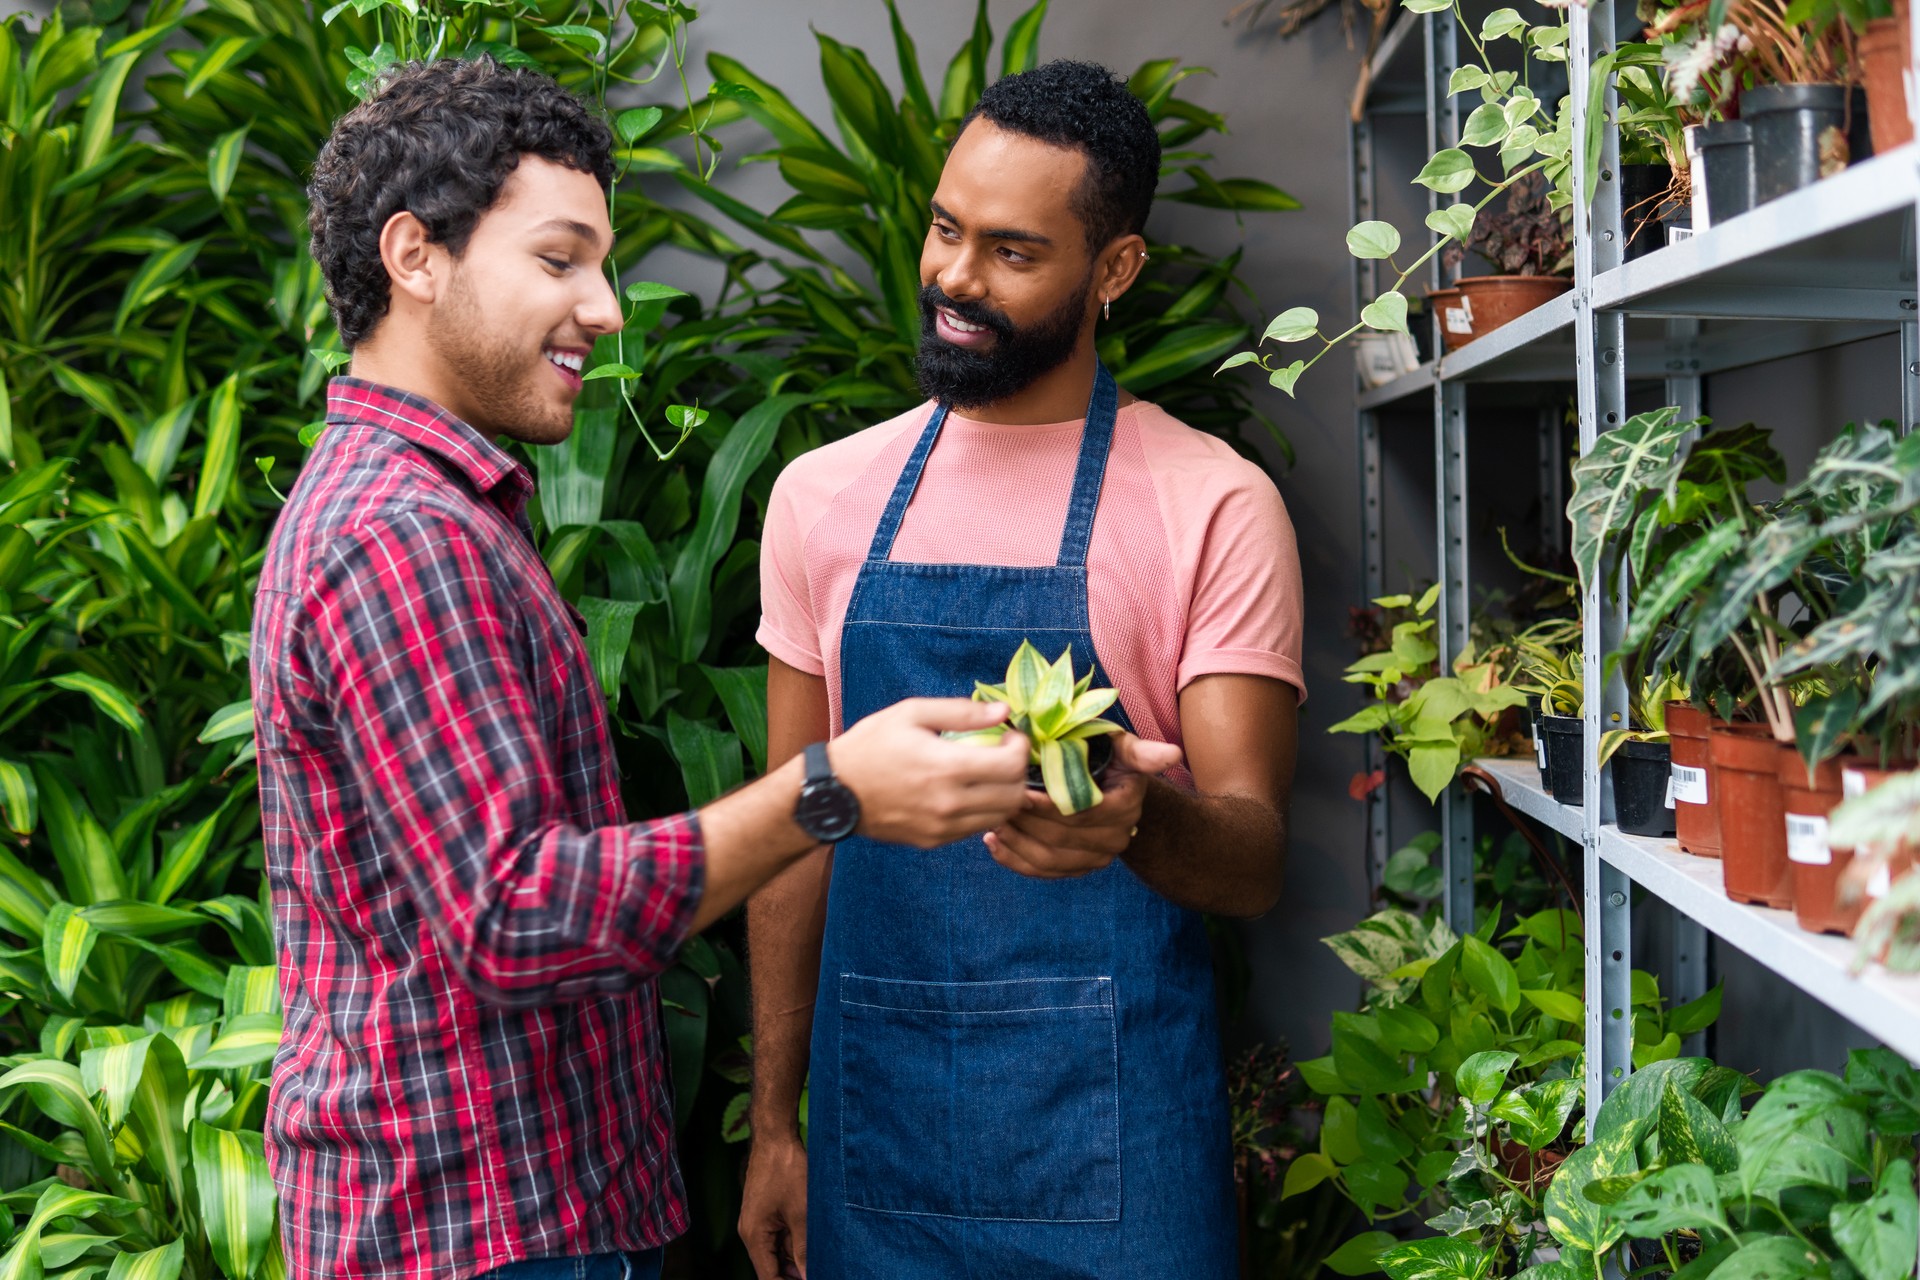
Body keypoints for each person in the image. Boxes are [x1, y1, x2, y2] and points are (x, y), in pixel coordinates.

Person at [258, 57, 1038, 1280]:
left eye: (601, 264)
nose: (608, 306)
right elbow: (518, 916)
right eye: (560, 259)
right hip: (471, 1235)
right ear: (415, 256)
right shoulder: (398, 534)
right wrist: (827, 790)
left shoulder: (440, 506)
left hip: (521, 1213)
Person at [740, 58, 1307, 1280]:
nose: (952, 275)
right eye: (946, 229)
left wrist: (1137, 819)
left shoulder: (1210, 503)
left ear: (1113, 270)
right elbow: (792, 831)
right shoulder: (822, 500)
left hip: (1119, 1154)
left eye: (1011, 251)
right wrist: (774, 1125)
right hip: (874, 1141)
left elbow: (1256, 855)